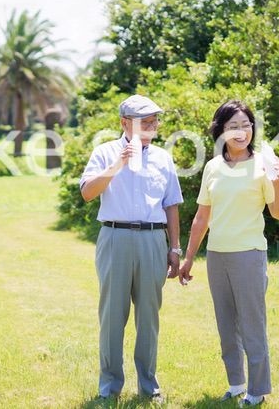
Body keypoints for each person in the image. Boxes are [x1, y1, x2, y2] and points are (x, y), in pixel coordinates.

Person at [178, 100, 279, 407]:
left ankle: (257, 390)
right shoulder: (213, 167)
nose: (241, 132)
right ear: (221, 131)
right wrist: (189, 257)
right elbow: (202, 217)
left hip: (249, 255)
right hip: (217, 256)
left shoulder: (264, 164)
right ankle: (236, 383)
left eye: (246, 125)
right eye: (233, 126)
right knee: (226, 326)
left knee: (252, 325)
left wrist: (277, 182)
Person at [80, 94, 184, 400]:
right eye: (145, 121)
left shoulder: (163, 158)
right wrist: (119, 163)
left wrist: (175, 248)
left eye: (155, 120)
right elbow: (87, 193)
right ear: (125, 123)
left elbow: (171, 205)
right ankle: (109, 388)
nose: (153, 125)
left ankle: (149, 387)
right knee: (112, 315)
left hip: (153, 240)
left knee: (149, 316)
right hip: (115, 237)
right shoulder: (104, 152)